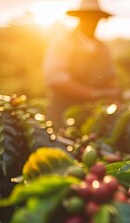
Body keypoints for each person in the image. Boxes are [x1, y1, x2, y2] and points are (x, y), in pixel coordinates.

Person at [43, 0, 120, 128]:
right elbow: (57, 79)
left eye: (95, 18)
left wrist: (114, 95)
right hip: (63, 113)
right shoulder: (63, 43)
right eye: (88, 17)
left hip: (95, 116)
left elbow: (110, 78)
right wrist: (94, 93)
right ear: (80, 18)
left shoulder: (103, 48)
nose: (92, 22)